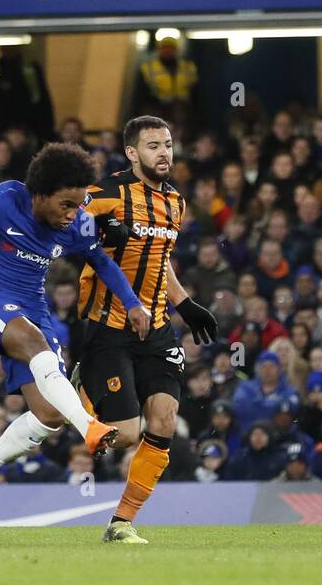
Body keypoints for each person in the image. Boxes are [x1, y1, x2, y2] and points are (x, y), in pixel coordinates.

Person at [0, 143, 152, 523]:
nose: (73, 214)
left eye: (79, 204)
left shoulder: (77, 223)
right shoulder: (7, 198)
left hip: (33, 309)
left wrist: (133, 304)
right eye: (67, 204)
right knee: (38, 347)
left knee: (50, 414)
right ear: (40, 193)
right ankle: (88, 427)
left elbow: (101, 262)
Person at [71, 117, 217, 544]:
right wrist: (96, 228)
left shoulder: (175, 202)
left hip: (155, 327)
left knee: (166, 420)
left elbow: (160, 258)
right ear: (132, 153)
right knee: (126, 434)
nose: (164, 153)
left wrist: (184, 303)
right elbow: (61, 222)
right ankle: (80, 389)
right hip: (108, 325)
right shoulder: (107, 193)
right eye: (153, 146)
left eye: (168, 144)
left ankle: (122, 523)